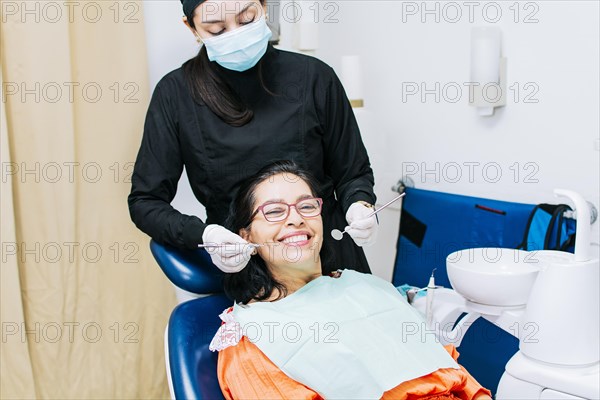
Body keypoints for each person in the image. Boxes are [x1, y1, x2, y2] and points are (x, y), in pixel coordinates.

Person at [127, 0, 377, 275]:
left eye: (246, 19)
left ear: (264, 6)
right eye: (217, 30)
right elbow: (145, 202)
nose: (236, 34)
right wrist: (204, 235)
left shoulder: (315, 77)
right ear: (192, 28)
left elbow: (353, 173)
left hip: (329, 257)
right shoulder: (176, 95)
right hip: (250, 271)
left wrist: (359, 204)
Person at [210, 160, 492, 400]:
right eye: (273, 211)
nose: (295, 219)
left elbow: (452, 373)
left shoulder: (364, 285)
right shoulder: (250, 335)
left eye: (306, 206)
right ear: (245, 236)